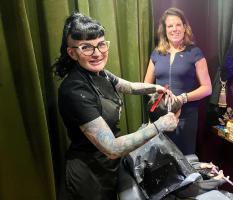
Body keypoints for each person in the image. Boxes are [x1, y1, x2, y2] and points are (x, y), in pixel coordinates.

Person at [53, 12, 179, 200]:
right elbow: (112, 148)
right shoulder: (75, 91)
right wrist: (160, 125)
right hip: (88, 177)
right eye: (86, 47)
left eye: (101, 44)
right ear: (72, 52)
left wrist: (155, 88)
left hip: (107, 169)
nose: (97, 53)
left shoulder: (100, 74)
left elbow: (128, 86)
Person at [144, 7, 212, 155]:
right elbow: (146, 85)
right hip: (159, 118)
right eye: (170, 26)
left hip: (185, 118)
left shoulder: (195, 52)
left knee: (183, 162)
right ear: (164, 30)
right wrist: (159, 102)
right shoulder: (157, 53)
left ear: (184, 27)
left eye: (178, 25)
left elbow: (207, 88)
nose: (174, 29)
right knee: (159, 160)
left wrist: (182, 98)